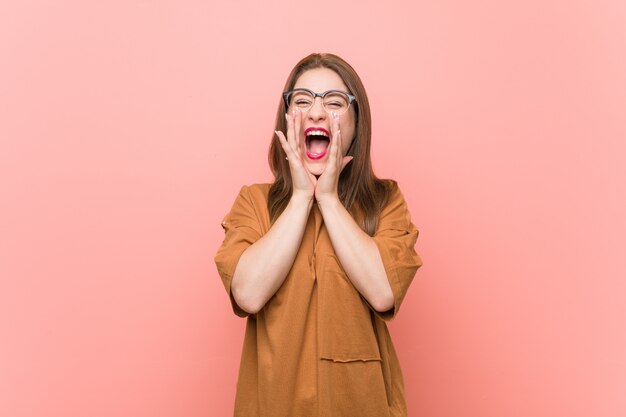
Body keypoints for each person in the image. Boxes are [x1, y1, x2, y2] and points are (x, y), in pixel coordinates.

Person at [215, 52, 423, 417]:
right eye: (302, 100)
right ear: (286, 118)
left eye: (334, 101)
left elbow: (382, 290)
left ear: (358, 122)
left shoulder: (386, 201)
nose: (316, 111)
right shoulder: (254, 202)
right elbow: (247, 294)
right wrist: (299, 197)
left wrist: (327, 198)